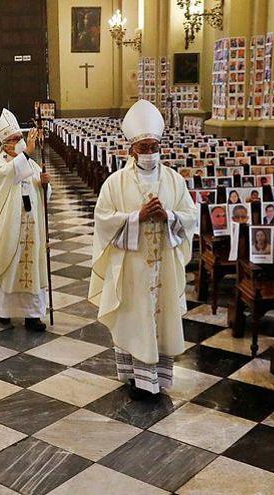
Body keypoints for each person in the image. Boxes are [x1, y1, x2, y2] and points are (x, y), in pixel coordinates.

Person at [90, 100, 199, 400]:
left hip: (163, 264)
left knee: (159, 321)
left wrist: (170, 217)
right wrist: (136, 217)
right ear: (131, 150)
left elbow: (190, 215)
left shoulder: (174, 180)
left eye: (154, 146)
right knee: (134, 319)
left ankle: (157, 380)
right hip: (132, 268)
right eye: (144, 147)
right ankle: (135, 378)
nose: (150, 152)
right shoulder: (115, 183)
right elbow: (102, 221)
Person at [0, 109, 52, 332]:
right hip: (9, 227)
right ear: (4, 144)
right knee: (8, 264)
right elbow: (7, 175)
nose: (19, 142)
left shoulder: (30, 164)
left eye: (19, 138)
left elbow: (41, 193)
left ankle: (32, 315)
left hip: (31, 226)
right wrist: (26, 156)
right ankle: (4, 311)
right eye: (13, 139)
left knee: (32, 267)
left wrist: (44, 184)